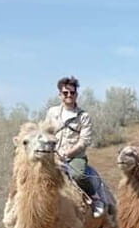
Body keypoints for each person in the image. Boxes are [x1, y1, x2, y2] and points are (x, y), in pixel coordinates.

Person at [44, 76, 105, 217]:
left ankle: (95, 198)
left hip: (74, 157)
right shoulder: (52, 112)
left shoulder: (83, 116)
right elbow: (46, 131)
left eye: (72, 92)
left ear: (76, 94)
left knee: (78, 175)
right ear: (60, 95)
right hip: (53, 155)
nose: (69, 95)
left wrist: (68, 153)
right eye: (65, 93)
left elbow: (84, 140)